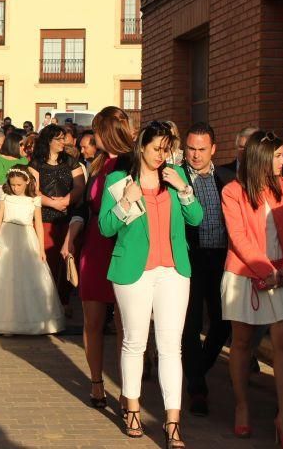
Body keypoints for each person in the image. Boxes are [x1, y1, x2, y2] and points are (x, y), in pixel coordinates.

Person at [99, 120, 203, 447]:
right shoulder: (119, 179)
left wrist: (184, 190)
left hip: (173, 270)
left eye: (167, 149)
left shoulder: (176, 177)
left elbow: (196, 218)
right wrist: (126, 200)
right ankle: (131, 407)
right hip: (134, 271)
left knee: (172, 346)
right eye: (157, 148)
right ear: (141, 146)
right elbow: (105, 227)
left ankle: (172, 423)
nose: (162, 155)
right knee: (135, 342)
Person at [221, 131, 283, 446]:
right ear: (262, 158)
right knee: (242, 343)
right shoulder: (233, 191)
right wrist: (266, 271)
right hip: (244, 274)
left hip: (282, 273)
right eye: (279, 155)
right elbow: (238, 237)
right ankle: (242, 406)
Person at [177, 122, 236, 416]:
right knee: (190, 323)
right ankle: (197, 387)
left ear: (213, 149)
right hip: (189, 258)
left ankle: (197, 368)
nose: (196, 155)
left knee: (223, 321)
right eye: (191, 148)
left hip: (221, 260)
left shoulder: (227, 178)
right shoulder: (174, 178)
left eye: (202, 149)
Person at [78, 106, 134, 409]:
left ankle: (129, 390)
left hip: (123, 244)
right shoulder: (97, 164)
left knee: (127, 325)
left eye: (97, 130)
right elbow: (86, 207)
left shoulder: (132, 162)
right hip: (96, 246)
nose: (93, 135)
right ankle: (96, 382)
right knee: (93, 322)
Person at [0, 165, 65, 335]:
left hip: (26, 238)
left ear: (27, 182)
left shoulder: (34, 200)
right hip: (6, 239)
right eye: (13, 184)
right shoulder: (5, 198)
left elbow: (38, 224)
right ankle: (6, 321)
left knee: (29, 277)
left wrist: (41, 248)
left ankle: (33, 319)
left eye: (19, 185)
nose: (15, 188)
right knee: (6, 278)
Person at [29, 124, 85, 316]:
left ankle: (64, 300)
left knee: (67, 258)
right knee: (47, 260)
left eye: (64, 138)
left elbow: (79, 185)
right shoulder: (36, 163)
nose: (63, 142)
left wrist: (66, 201)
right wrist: (52, 204)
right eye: (59, 139)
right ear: (48, 141)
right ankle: (47, 301)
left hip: (68, 218)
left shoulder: (70, 161)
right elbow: (33, 190)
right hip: (45, 218)